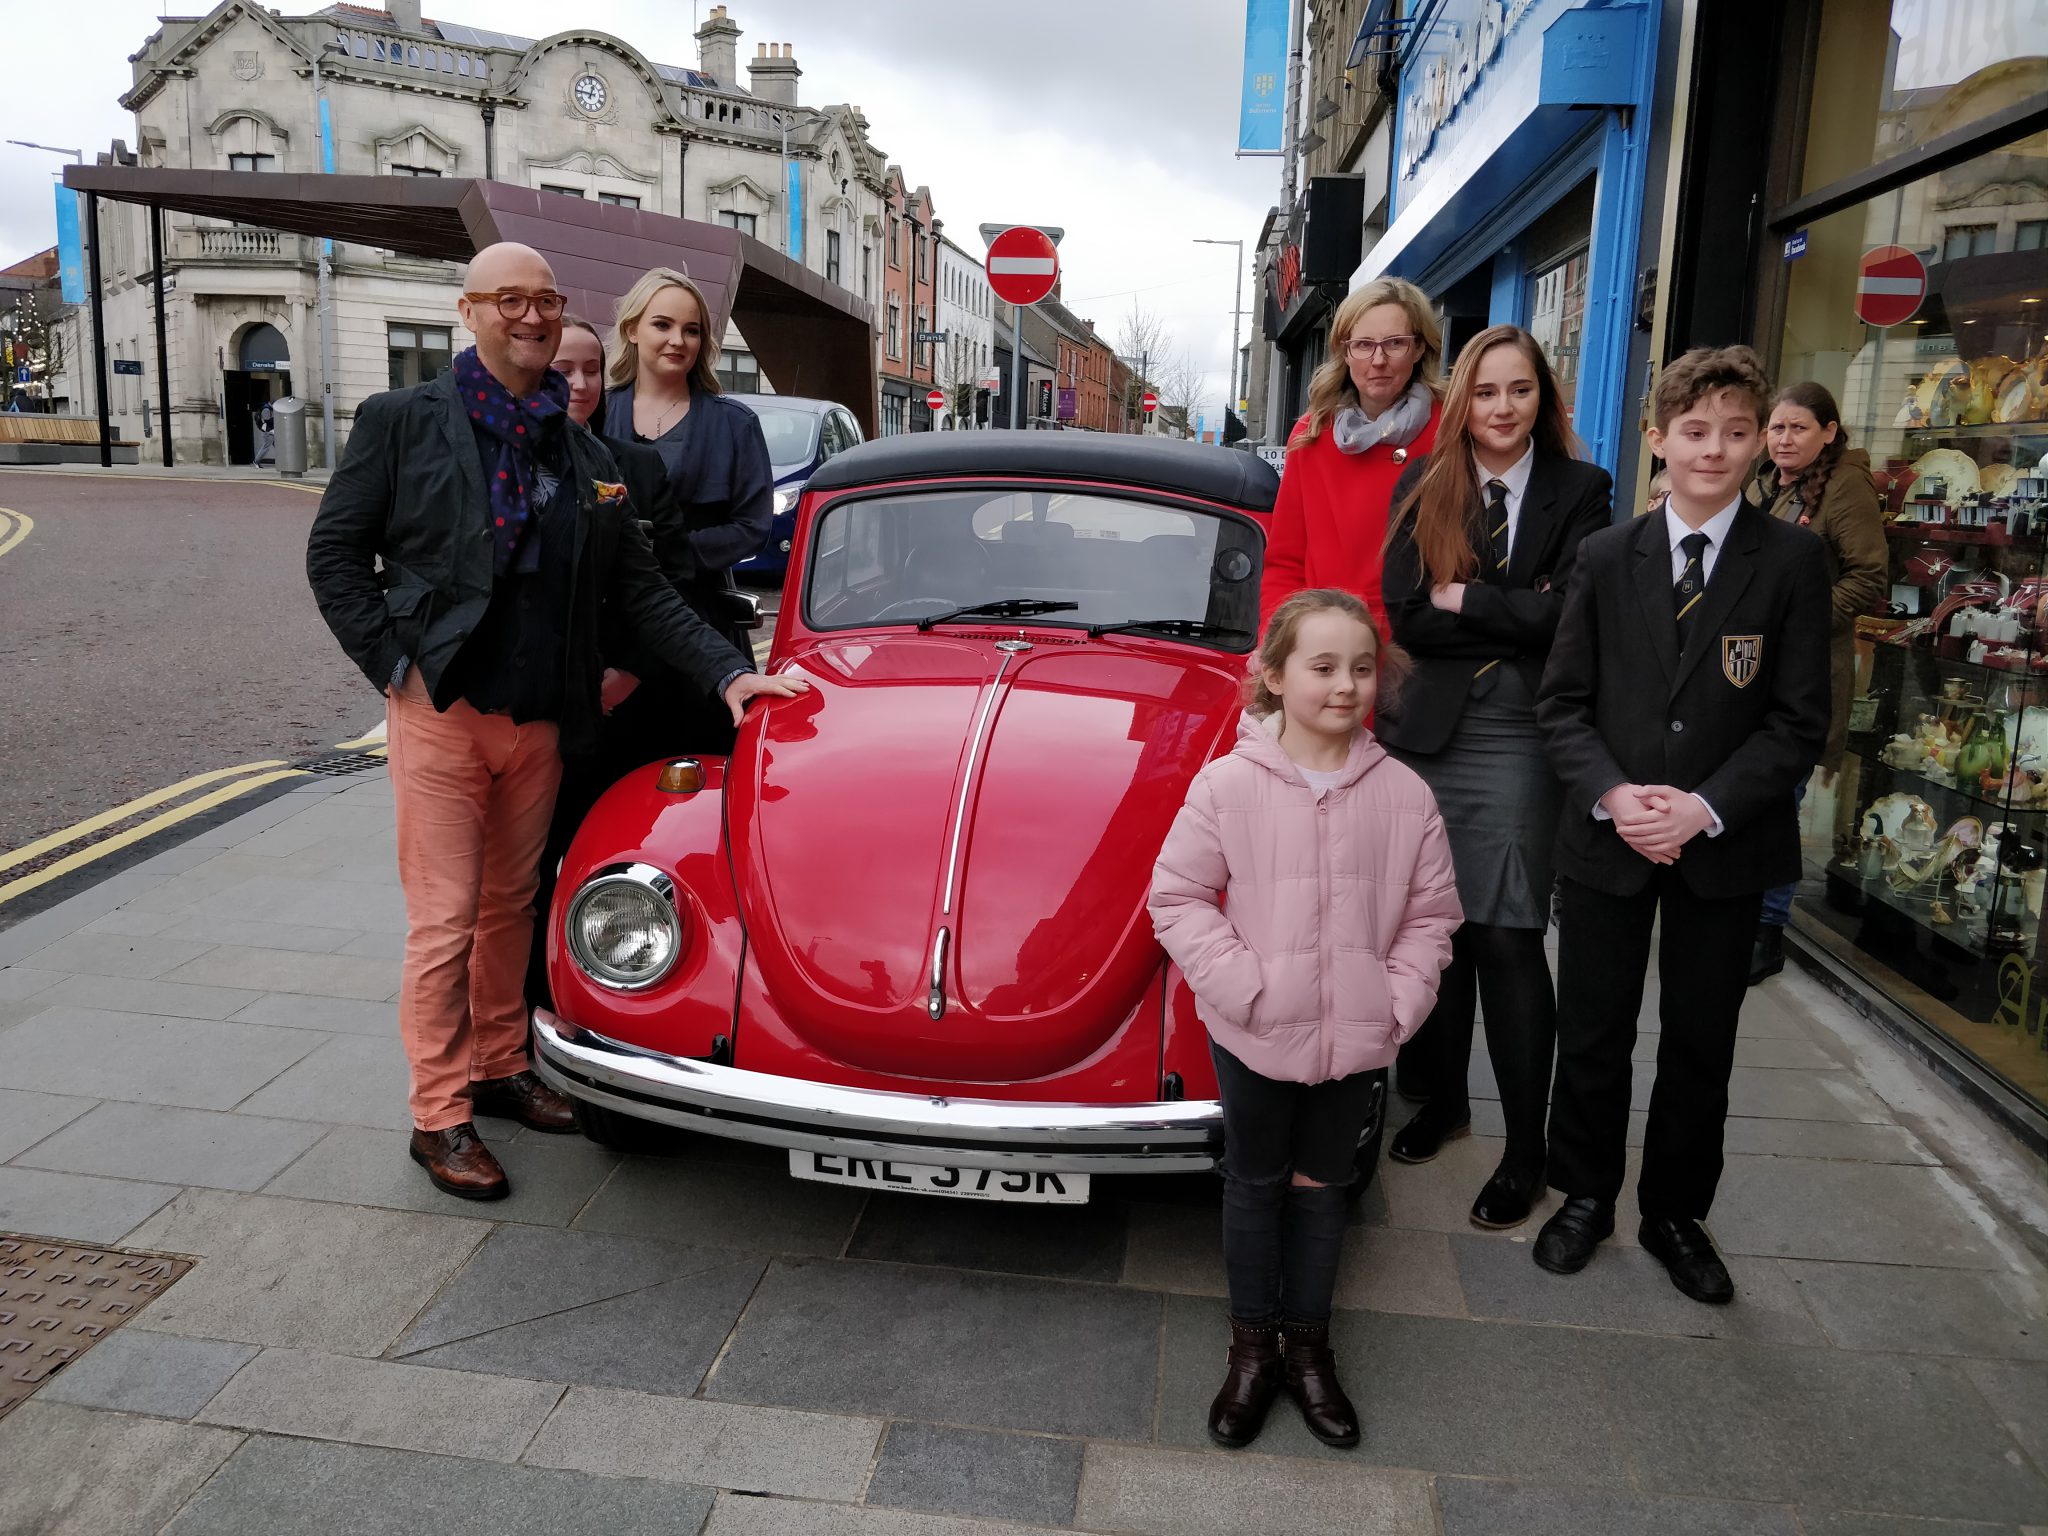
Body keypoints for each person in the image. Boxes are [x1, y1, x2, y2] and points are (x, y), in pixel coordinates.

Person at [307, 242, 808, 1203]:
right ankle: (437, 1114)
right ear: (470, 311)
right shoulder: (402, 421)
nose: (531, 317)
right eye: (510, 301)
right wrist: (397, 668)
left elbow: (641, 585)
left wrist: (724, 676)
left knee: (512, 907)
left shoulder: (581, 452)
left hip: (540, 719)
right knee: (445, 922)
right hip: (445, 713)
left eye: (544, 300)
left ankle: (502, 1067)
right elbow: (336, 558)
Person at [1533, 346, 1830, 1304]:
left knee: (1702, 1040)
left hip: (1726, 845)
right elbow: (1563, 706)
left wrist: (1702, 808)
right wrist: (1617, 797)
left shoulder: (1791, 560)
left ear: (1762, 444)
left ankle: (1674, 1212)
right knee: (1594, 1030)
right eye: (1694, 432)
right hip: (1608, 836)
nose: (1716, 449)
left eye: (1738, 433)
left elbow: (1797, 719)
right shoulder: (1606, 557)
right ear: (1658, 441)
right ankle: (1583, 1193)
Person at [1150, 589, 1461, 1451]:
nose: (1345, 685)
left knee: (1324, 1191)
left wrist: (1397, 1001)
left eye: (1361, 668)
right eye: (1322, 667)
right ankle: (1252, 1348)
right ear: (1276, 677)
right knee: (1254, 1184)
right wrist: (1242, 987)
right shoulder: (1228, 786)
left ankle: (1309, 1347)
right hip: (1255, 1030)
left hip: (1358, 1035)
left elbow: (1432, 916)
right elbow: (1176, 896)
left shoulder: (1404, 795)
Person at [1377, 325, 1614, 1228]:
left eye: (1520, 391)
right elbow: (1406, 615)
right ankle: (1442, 1100)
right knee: (1436, 929)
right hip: (1427, 734)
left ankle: (1526, 1151)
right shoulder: (1424, 482)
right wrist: (1520, 611)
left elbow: (1573, 621)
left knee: (1507, 935)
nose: (1502, 408)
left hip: (1520, 732)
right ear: (1462, 403)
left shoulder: (1581, 490)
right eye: (1485, 392)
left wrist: (1470, 599)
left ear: (1541, 400)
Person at [524, 315, 700, 1013]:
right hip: (535, 704)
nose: (580, 384)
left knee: (602, 860)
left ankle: (600, 993)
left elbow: (670, 581)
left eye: (592, 369)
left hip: (619, 703)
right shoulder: (508, 461)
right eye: (563, 369)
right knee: (525, 875)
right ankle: (525, 1010)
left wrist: (629, 669)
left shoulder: (636, 467)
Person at [1744, 381, 1887, 983]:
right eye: (1776, 427)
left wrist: (1795, 624)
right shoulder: (1769, 483)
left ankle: (1768, 930)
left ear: (1829, 432)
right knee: (1749, 797)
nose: (1783, 439)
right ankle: (1737, 914)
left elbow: (1869, 577)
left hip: (1806, 671)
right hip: (1751, 669)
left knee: (1780, 801)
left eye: (1798, 428)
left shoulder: (1847, 487)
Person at [601, 266, 772, 704]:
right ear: (632, 330)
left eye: (691, 330)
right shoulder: (598, 414)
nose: (678, 340)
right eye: (663, 324)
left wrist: (674, 554)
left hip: (704, 620)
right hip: (611, 627)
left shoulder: (735, 424)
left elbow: (752, 525)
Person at [1259, 276, 1444, 632]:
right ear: (1345, 352)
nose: (1378, 360)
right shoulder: (1312, 435)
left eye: (1395, 343)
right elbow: (1285, 561)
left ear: (1419, 348)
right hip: (1327, 642)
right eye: (1363, 344)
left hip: (1420, 644)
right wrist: (1277, 640)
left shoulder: (1449, 429)